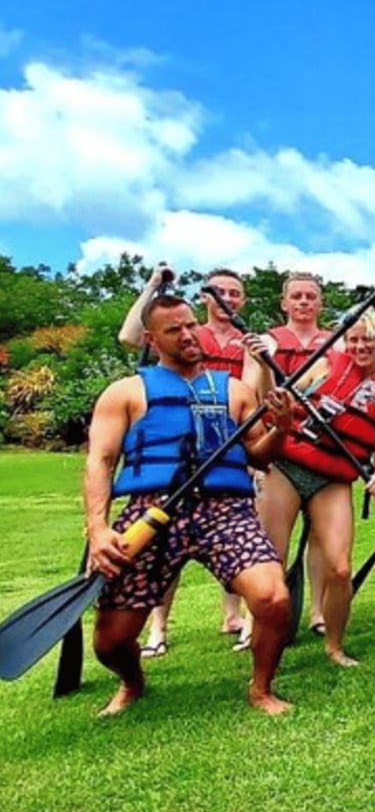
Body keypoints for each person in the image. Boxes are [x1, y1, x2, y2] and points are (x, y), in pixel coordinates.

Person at [85, 294, 300, 716]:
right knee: (110, 641)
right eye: (173, 330)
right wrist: (98, 527)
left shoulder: (235, 390)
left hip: (225, 510)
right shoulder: (125, 392)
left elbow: (259, 456)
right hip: (152, 509)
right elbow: (101, 460)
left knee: (274, 599)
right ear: (151, 338)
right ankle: (132, 682)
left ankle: (261, 689)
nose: (187, 335)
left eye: (190, 325)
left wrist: (283, 427)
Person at [248, 311, 375, 667]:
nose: (360, 346)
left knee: (340, 568)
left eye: (368, 340)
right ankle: (264, 644)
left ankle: (334, 646)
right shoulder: (323, 365)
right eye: (354, 339)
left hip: (333, 479)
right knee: (271, 562)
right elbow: (274, 402)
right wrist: (264, 367)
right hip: (287, 468)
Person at [117, 264, 251, 654]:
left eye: (235, 292)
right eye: (218, 291)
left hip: (226, 444)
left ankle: (234, 616)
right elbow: (130, 337)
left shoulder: (248, 341)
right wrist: (153, 285)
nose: (227, 298)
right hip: (176, 452)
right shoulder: (188, 330)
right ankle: (158, 628)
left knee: (234, 543)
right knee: (164, 547)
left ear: (243, 299)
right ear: (204, 298)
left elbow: (253, 393)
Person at [244, 272, 336, 640]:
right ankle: (259, 620)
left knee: (320, 537)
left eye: (310, 296)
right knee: (272, 540)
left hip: (321, 446)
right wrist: (267, 367)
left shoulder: (335, 343)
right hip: (278, 447)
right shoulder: (264, 342)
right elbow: (254, 395)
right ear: (284, 303)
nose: (303, 302)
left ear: (320, 303)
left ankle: (317, 611)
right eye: (296, 296)